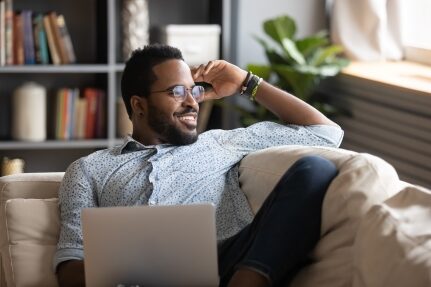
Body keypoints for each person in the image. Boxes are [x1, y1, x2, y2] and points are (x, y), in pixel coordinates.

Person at [54, 44, 343, 287]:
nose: (193, 103)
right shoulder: (89, 169)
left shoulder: (220, 143)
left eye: (196, 91)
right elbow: (70, 264)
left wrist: (247, 82)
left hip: (230, 263)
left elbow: (326, 134)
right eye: (177, 92)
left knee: (316, 170)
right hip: (142, 278)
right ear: (139, 105)